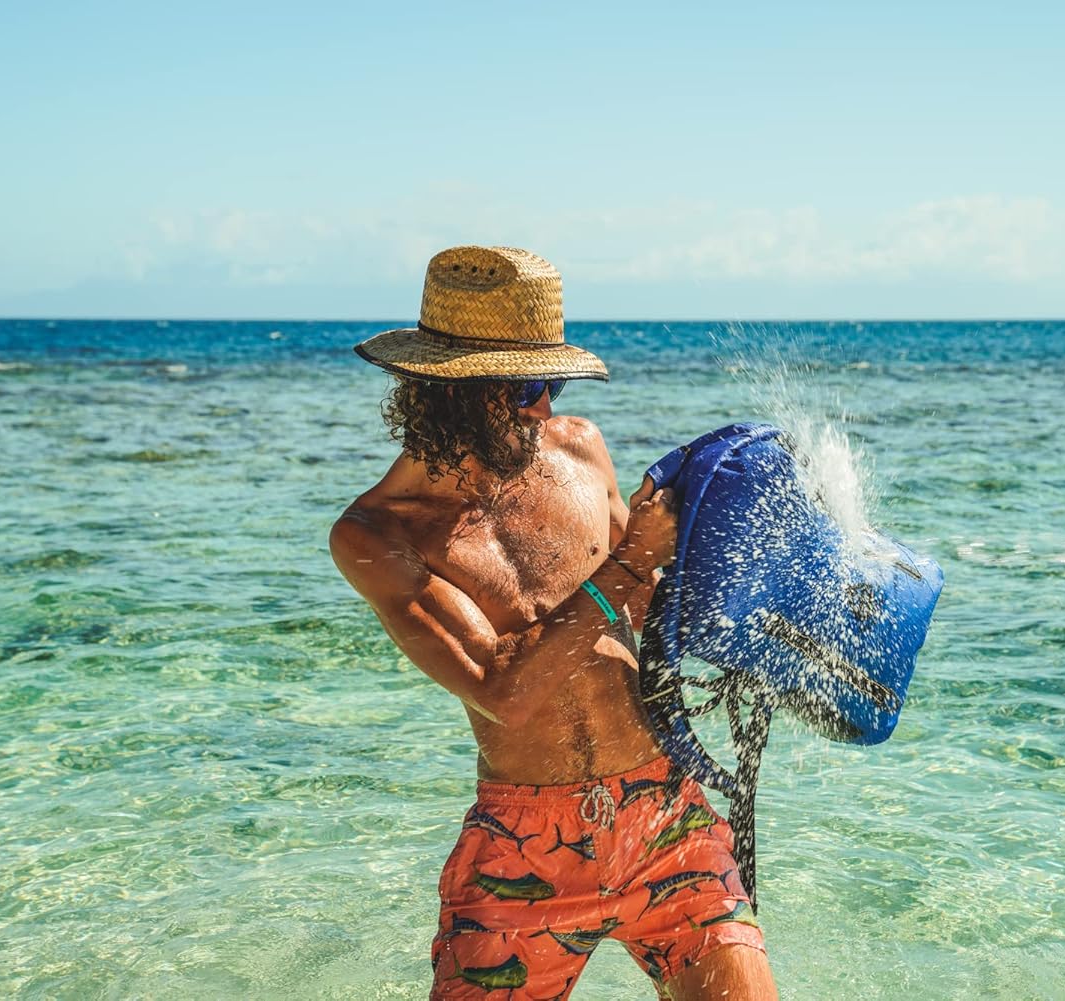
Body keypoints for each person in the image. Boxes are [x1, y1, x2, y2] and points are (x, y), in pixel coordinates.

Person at [329, 246, 777, 1001]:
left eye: (552, 384)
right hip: (525, 846)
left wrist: (742, 574)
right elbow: (498, 688)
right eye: (525, 387)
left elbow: (645, 601)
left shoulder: (580, 449)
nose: (543, 408)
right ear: (449, 390)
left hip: (666, 815)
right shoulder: (379, 534)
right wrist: (629, 562)